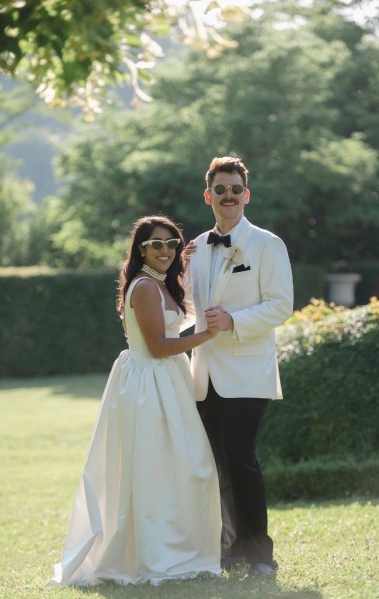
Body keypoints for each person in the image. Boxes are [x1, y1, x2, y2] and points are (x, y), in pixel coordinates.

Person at [48, 215, 221, 587]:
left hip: (166, 383)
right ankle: (154, 556)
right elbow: (158, 346)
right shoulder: (144, 287)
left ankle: (179, 549)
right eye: (156, 244)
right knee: (154, 470)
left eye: (172, 244)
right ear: (140, 249)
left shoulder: (161, 285)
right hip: (149, 385)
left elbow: (176, 321)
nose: (165, 251)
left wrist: (187, 269)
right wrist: (208, 335)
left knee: (181, 468)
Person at [182, 156, 293, 576]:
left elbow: (281, 304)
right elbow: (193, 307)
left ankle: (260, 556)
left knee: (241, 458)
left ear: (246, 195)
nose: (228, 196)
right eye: (220, 189)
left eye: (235, 189)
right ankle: (230, 552)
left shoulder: (267, 243)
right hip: (204, 372)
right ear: (208, 195)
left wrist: (235, 321)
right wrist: (180, 281)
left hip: (247, 370)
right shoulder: (195, 246)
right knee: (218, 465)